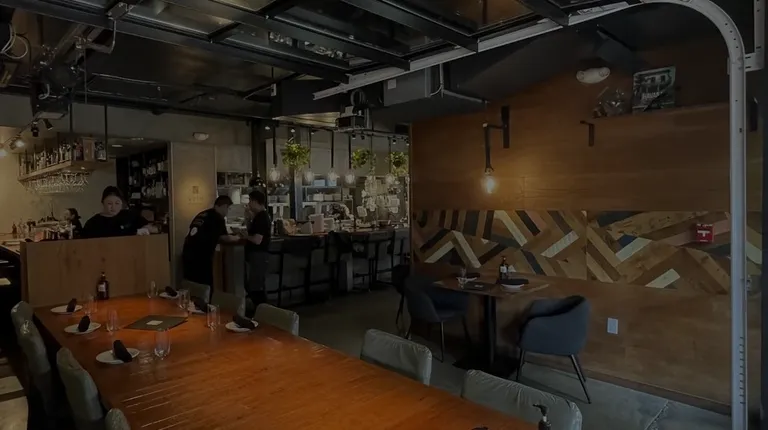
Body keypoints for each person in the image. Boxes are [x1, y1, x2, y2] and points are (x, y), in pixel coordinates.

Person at [181, 196, 241, 289]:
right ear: (224, 206)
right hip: (201, 257)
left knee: (191, 285)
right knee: (205, 286)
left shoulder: (202, 214)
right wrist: (238, 237)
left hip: (187, 253)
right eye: (228, 208)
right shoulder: (218, 217)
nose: (227, 212)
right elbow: (225, 238)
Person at [82, 186, 157, 238]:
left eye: (117, 203)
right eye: (109, 203)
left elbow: (153, 227)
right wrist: (134, 232)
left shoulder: (130, 216)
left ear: (122, 203)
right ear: (103, 203)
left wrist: (149, 228)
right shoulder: (93, 223)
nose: (113, 207)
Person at [244, 190, 271, 308]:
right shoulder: (258, 217)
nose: (249, 204)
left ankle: (264, 311)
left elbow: (257, 240)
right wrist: (248, 219)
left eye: (250, 201)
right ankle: (261, 310)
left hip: (258, 255)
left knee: (256, 287)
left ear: (255, 201)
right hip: (256, 255)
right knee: (253, 285)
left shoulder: (262, 217)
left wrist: (244, 236)